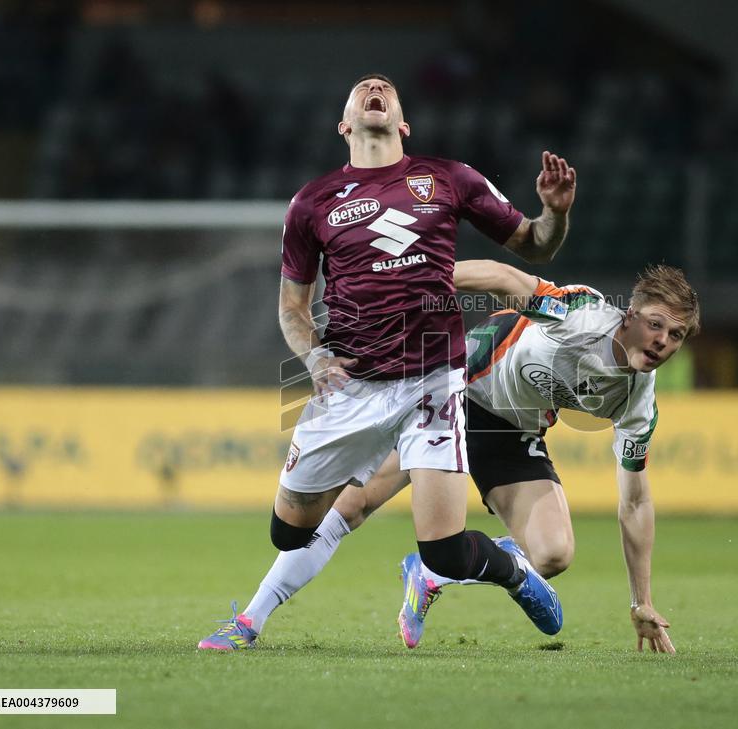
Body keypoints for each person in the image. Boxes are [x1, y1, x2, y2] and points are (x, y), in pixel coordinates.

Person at [198, 74, 578, 650]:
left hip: (433, 381)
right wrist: (314, 357)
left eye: (385, 88)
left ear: (403, 124)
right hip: (350, 385)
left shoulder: (450, 178)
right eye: (362, 89)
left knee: (444, 552)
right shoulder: (312, 203)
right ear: (344, 125)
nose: (375, 87)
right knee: (288, 532)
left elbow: (536, 244)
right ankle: (257, 611)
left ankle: (512, 571)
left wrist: (555, 214)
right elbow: (292, 308)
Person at [202, 257, 699, 653]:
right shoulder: (583, 314)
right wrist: (420, 281)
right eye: (656, 325)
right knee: (349, 507)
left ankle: (431, 572)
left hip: (509, 428)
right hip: (453, 388)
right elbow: (503, 277)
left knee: (552, 554)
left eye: (675, 335)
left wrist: (641, 601)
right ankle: (249, 620)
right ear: (630, 315)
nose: (662, 342)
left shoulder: (639, 400)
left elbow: (636, 501)